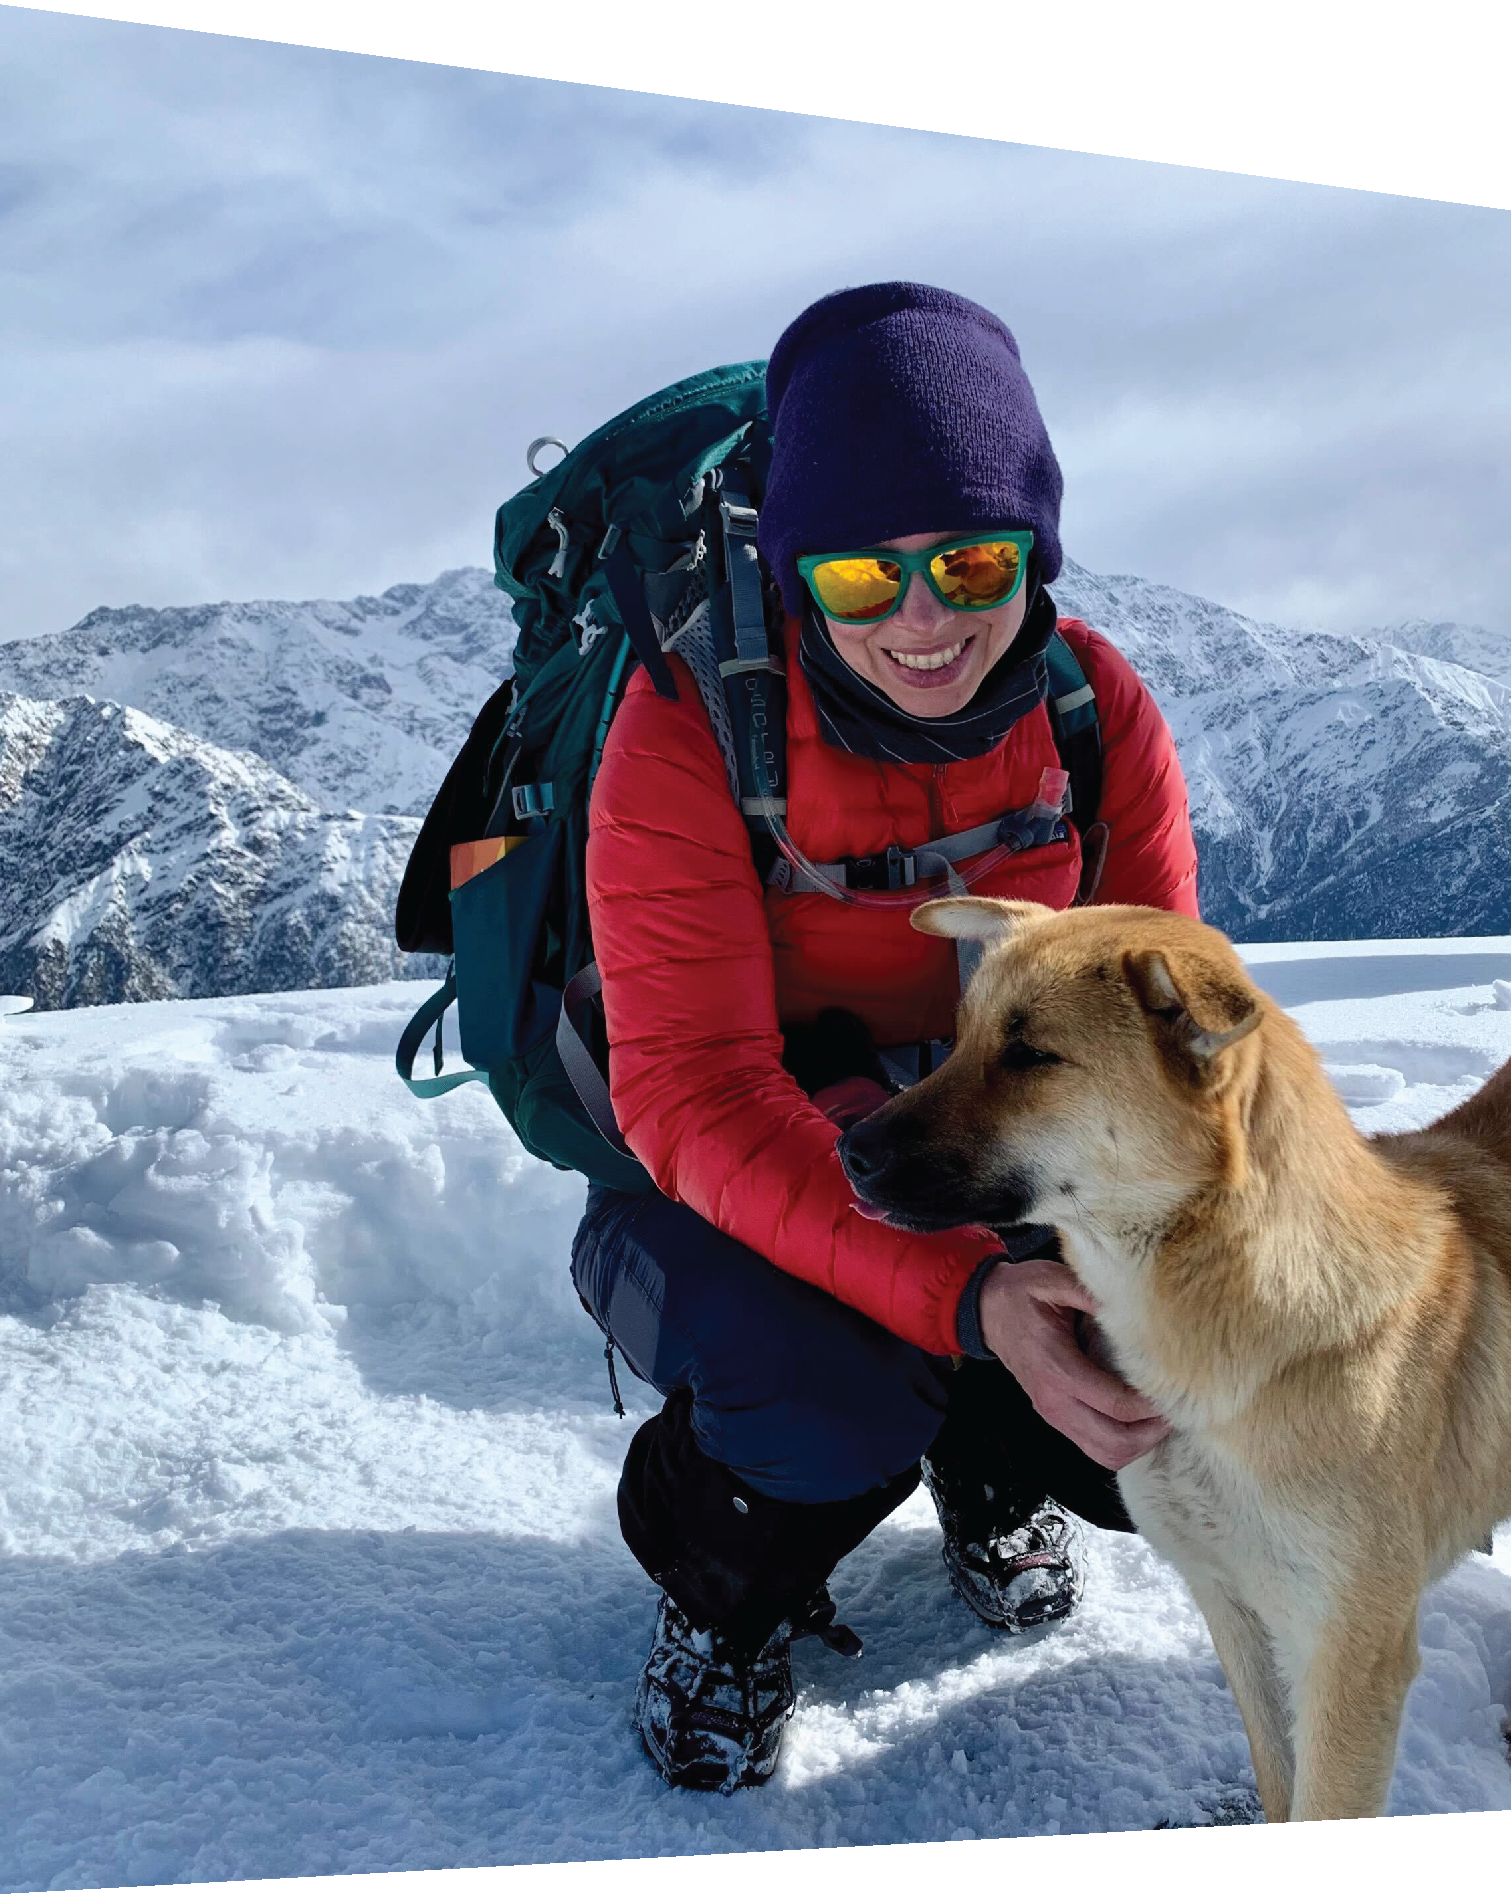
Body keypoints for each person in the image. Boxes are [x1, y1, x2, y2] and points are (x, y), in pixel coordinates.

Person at [569, 282, 1200, 1791]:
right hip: (711, 1173)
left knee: (1178, 1367)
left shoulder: (1091, 713)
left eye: (970, 559)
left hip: (984, 1151)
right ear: (794, 571)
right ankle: (726, 1591)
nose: (923, 620)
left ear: (1032, 552)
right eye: (859, 577)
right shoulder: (683, 732)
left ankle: (992, 1464)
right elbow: (697, 1091)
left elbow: (1170, 1044)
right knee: (828, 1388)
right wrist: (975, 1298)